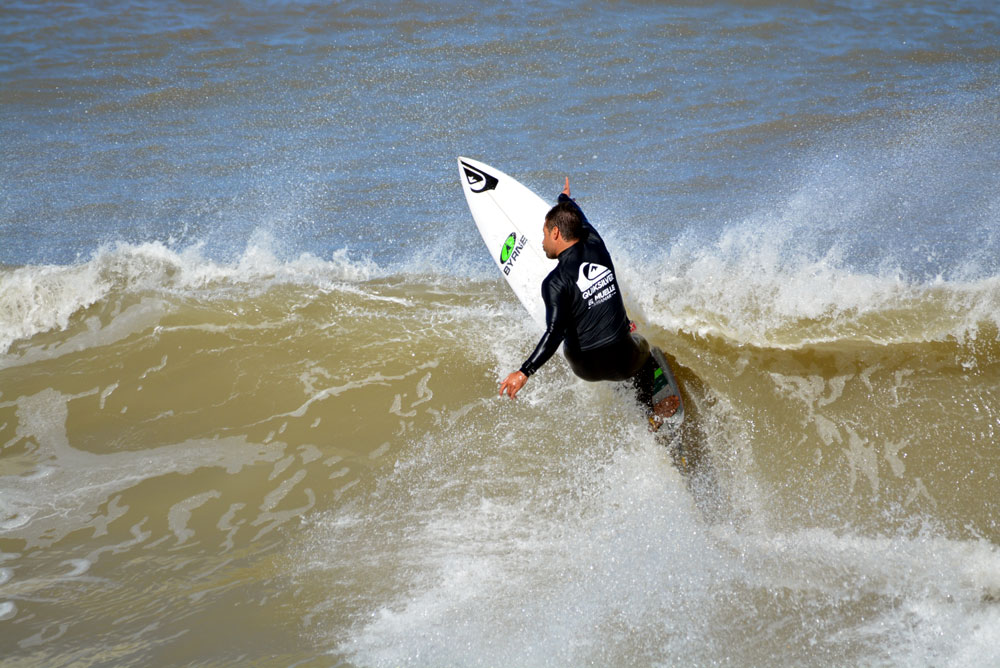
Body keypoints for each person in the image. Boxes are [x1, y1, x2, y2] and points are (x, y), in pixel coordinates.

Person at [499, 177, 655, 402]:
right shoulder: (597, 245)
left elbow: (554, 332)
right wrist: (564, 199)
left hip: (585, 368)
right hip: (624, 360)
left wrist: (524, 371)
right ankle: (653, 406)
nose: (542, 242)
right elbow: (581, 217)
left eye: (544, 234)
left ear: (555, 233)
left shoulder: (554, 282)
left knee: (573, 312)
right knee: (639, 341)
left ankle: (620, 372)